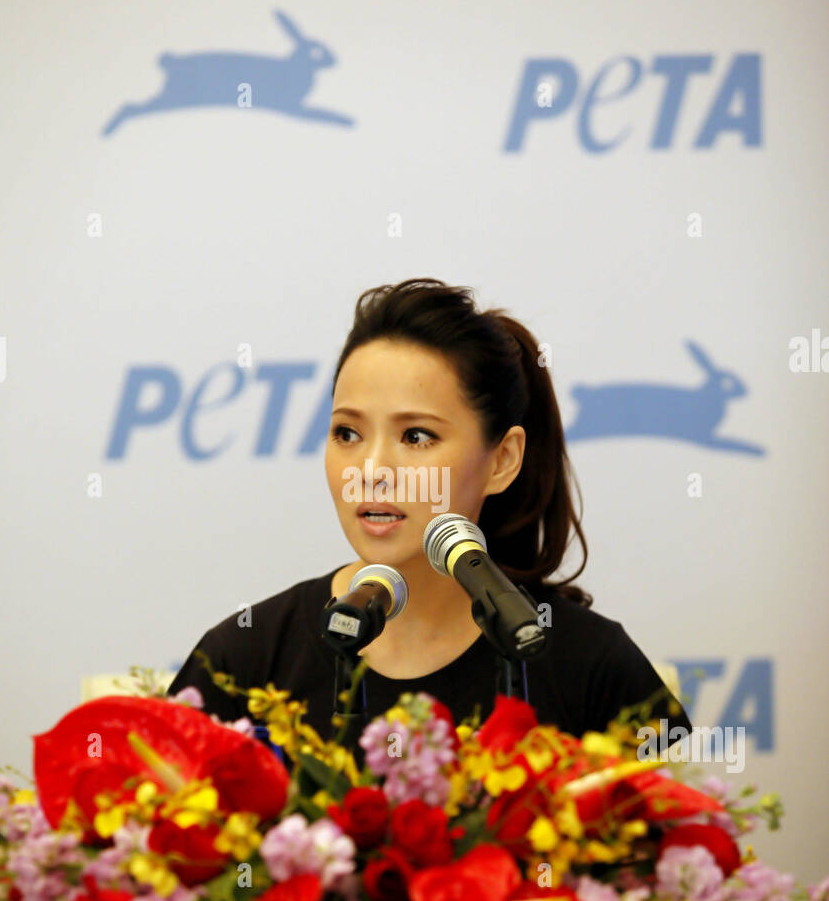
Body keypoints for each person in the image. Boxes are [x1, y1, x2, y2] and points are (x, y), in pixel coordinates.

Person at [168, 278, 691, 749]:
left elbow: (670, 849)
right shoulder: (243, 659)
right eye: (347, 433)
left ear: (502, 460)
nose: (370, 470)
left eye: (416, 436)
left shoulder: (593, 666)